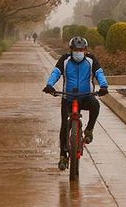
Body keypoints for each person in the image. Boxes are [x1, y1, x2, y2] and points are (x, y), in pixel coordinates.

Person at [43, 36, 109, 171]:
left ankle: (89, 130)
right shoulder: (65, 60)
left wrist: (104, 86)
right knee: (64, 127)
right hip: (68, 97)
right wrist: (50, 85)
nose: (78, 52)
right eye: (76, 49)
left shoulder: (91, 60)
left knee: (95, 105)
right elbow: (56, 72)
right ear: (71, 49)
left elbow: (99, 73)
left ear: (85, 50)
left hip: (86, 97)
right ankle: (63, 156)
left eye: (81, 49)